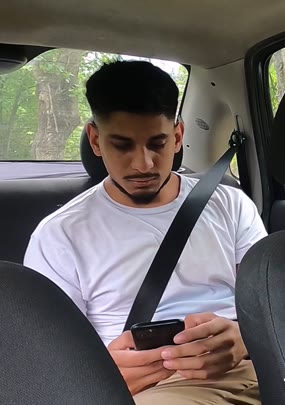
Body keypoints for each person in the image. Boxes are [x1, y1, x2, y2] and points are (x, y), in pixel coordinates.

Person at [23, 60, 267, 404]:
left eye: (158, 143)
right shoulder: (59, 235)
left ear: (178, 137)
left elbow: (267, 305)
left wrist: (243, 338)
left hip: (256, 368)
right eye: (122, 145)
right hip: (147, 389)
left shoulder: (231, 205)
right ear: (95, 140)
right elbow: (47, 355)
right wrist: (97, 374)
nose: (143, 164)